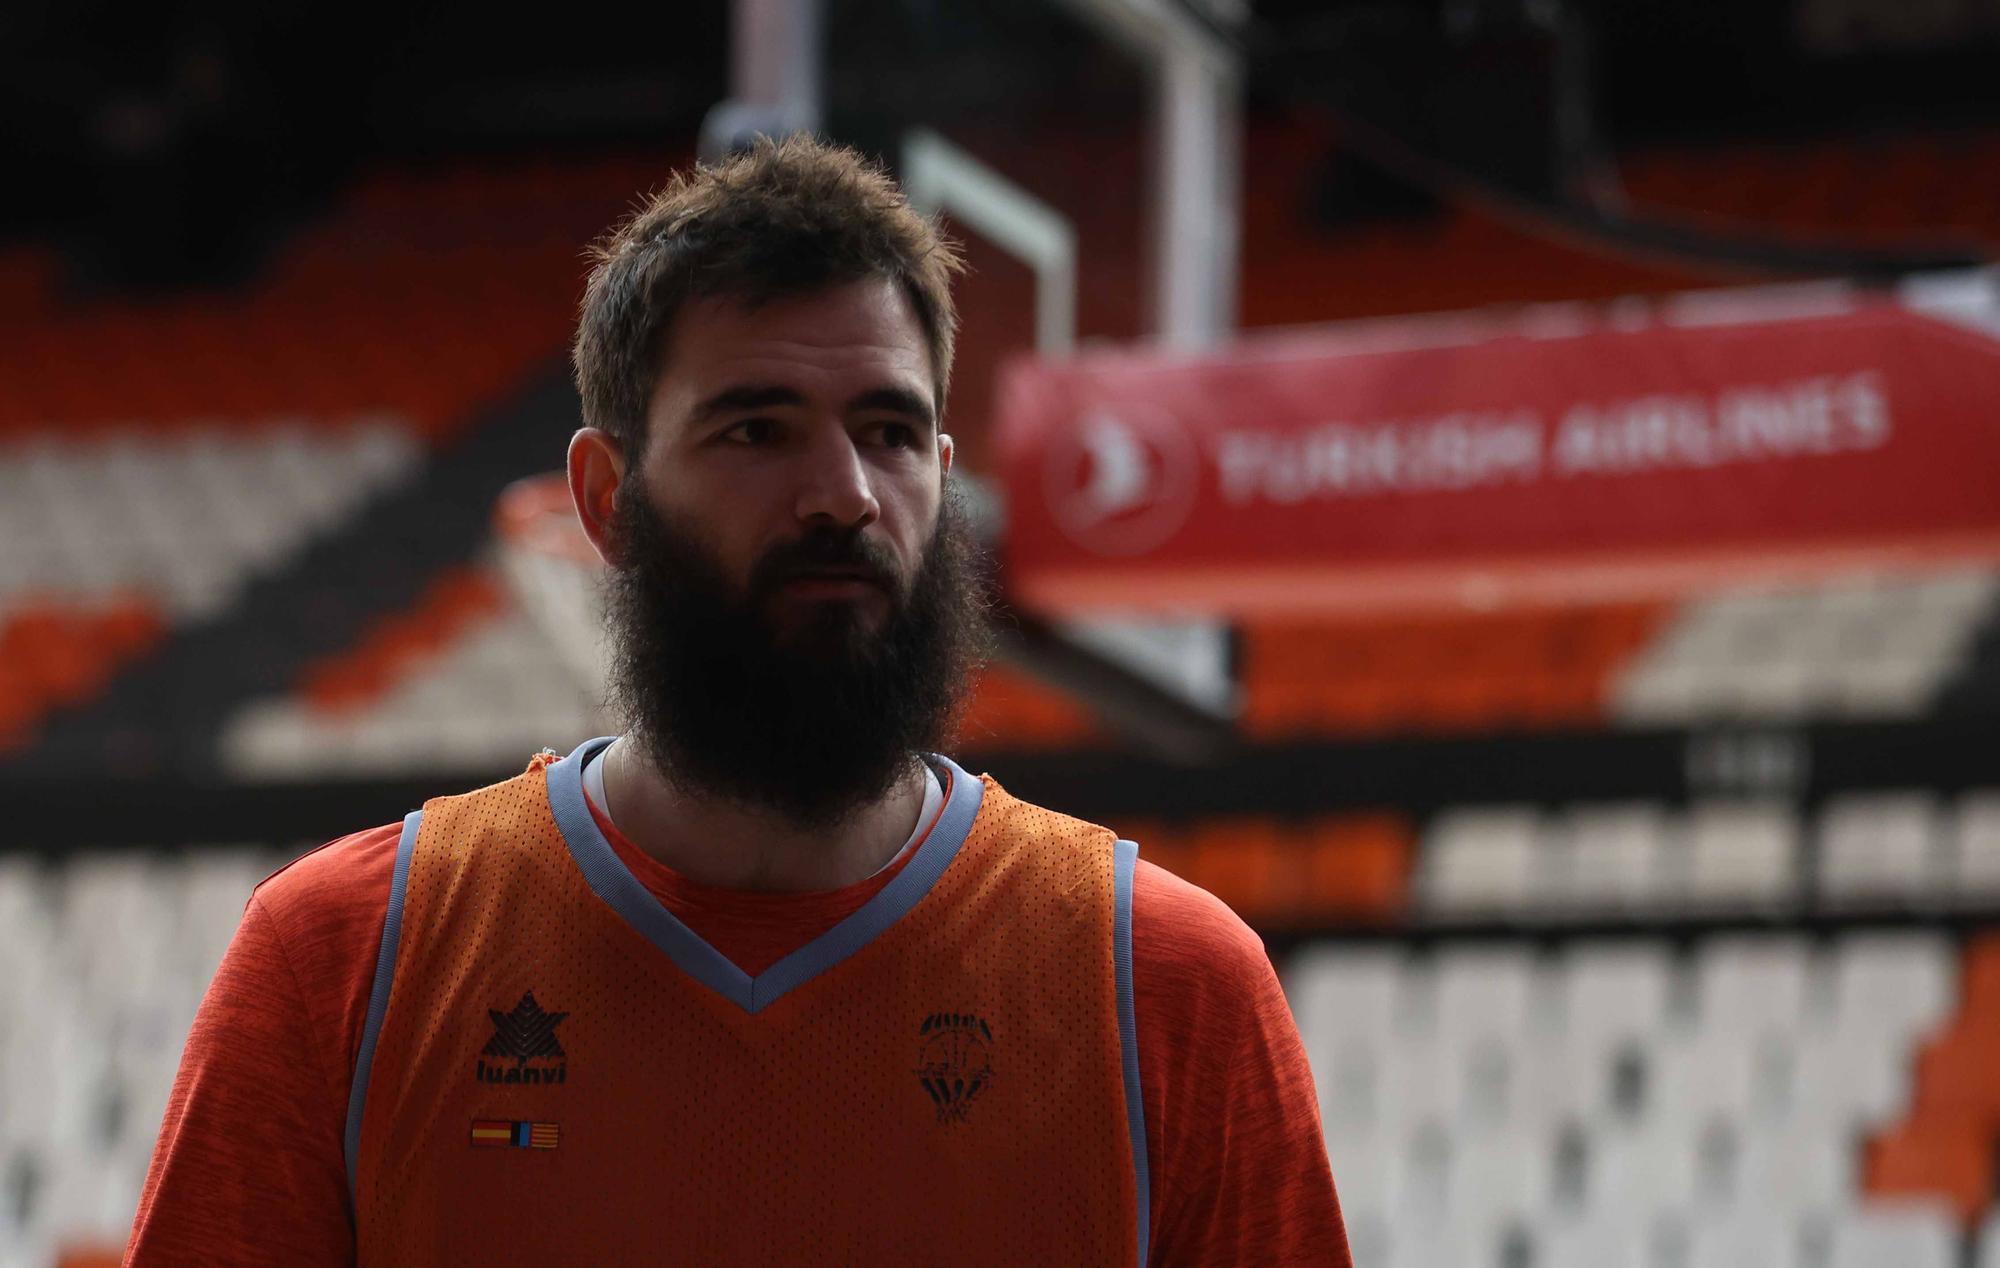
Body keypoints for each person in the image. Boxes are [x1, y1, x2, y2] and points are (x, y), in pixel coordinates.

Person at [126, 135, 1349, 1266]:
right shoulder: (342, 962)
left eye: (888, 431)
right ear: (607, 500)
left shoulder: (1167, 989)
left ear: (943, 476)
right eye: (755, 429)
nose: (842, 494)